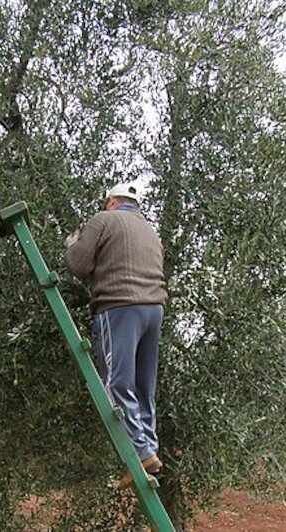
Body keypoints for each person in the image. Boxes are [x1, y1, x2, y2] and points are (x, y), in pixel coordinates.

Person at [65, 183, 168, 488]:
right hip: (153, 310)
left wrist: (73, 243)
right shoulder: (150, 230)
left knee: (115, 382)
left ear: (111, 200)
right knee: (142, 385)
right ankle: (149, 451)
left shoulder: (104, 219)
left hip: (119, 306)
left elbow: (79, 265)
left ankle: (140, 451)